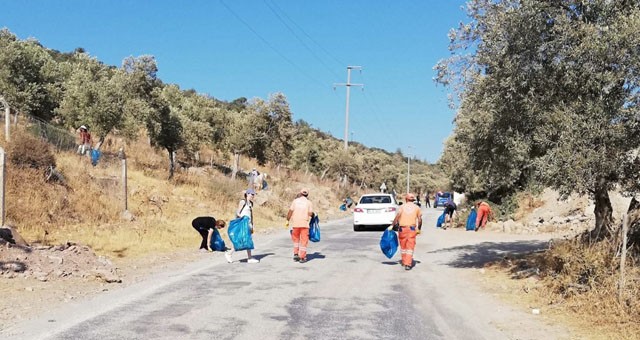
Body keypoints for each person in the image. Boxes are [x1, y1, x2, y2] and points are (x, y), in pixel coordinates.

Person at [225, 189, 259, 263]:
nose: (253, 196)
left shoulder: (251, 203)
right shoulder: (243, 202)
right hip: (242, 223)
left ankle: (249, 258)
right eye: (251, 194)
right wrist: (242, 219)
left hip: (248, 224)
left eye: (253, 195)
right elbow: (238, 212)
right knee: (241, 240)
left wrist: (252, 225)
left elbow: (250, 215)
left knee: (247, 240)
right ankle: (229, 253)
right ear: (247, 194)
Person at [392, 193, 422, 270]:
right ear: (413, 200)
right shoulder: (417, 208)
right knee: (410, 247)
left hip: (402, 229)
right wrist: (419, 228)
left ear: (406, 199)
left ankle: (404, 261)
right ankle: (408, 264)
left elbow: (397, 216)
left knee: (403, 246)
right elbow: (419, 219)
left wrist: (393, 225)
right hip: (411, 229)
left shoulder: (402, 207)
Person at [286, 188, 314, 263]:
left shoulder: (295, 201)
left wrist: (287, 220)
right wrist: (313, 215)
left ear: (300, 193)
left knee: (296, 240)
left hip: (296, 224)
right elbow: (310, 213)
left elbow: (290, 211)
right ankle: (302, 257)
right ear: (307, 195)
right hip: (304, 224)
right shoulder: (309, 203)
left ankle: (296, 254)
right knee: (304, 241)